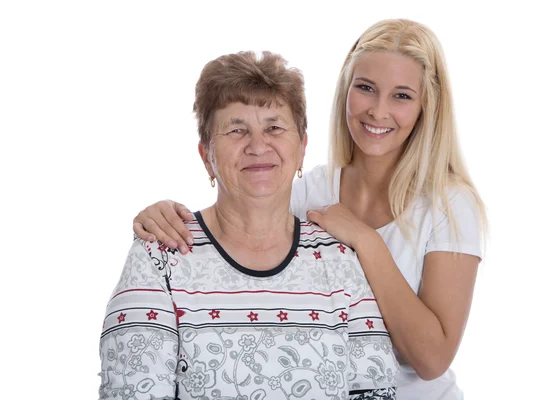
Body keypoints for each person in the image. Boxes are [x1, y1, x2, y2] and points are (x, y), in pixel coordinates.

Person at [132, 19, 487, 400]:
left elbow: (432, 359)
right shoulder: (310, 192)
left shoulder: (449, 205)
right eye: (366, 88)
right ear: (346, 91)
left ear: (426, 107)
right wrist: (162, 214)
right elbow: (235, 211)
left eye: (401, 96)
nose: (378, 111)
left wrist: (366, 241)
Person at [99, 50, 399, 400]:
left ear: (302, 148)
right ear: (206, 155)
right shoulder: (159, 257)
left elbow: (374, 392)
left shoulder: (341, 259)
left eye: (274, 127)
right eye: (236, 130)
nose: (258, 146)